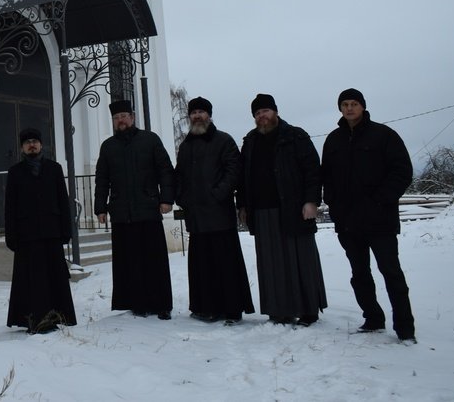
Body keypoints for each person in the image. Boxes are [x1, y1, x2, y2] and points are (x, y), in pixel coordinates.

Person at [321, 88, 417, 344]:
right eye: (345, 104)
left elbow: (402, 171)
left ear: (362, 106)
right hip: (348, 221)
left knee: (391, 272)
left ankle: (405, 328)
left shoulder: (384, 135)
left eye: (354, 103)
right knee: (359, 273)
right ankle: (373, 318)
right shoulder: (334, 140)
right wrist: (333, 203)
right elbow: (326, 176)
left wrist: (381, 200)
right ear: (340, 108)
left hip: (379, 219)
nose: (349, 108)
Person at [238, 93, 327, 326]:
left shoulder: (295, 135)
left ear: (275, 111)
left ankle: (308, 310)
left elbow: (312, 171)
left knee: (301, 260)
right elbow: (243, 178)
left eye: (265, 111)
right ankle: (278, 311)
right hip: (262, 212)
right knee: (271, 264)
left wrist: (311, 201)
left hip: (294, 208)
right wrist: (243, 205)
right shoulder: (250, 142)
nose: (262, 116)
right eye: (258, 113)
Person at [173, 97, 255, 325]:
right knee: (202, 266)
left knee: (226, 264)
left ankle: (232, 309)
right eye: (193, 112)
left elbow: (233, 170)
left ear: (209, 115)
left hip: (219, 215)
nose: (197, 116)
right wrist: (182, 197)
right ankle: (206, 308)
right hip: (196, 216)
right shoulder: (186, 146)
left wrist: (217, 194)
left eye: (201, 112)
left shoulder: (223, 140)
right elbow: (179, 175)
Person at [93, 99, 175, 319]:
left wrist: (166, 199)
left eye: (124, 116)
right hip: (122, 212)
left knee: (154, 260)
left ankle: (161, 305)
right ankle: (137, 303)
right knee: (130, 262)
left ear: (132, 117)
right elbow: (102, 179)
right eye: (116, 118)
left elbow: (165, 171)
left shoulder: (150, 140)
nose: (120, 120)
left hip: (148, 209)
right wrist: (100, 207)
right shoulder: (108, 146)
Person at [4, 127, 77, 334]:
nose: (32, 145)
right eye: (27, 142)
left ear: (41, 145)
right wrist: (11, 236)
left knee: (54, 277)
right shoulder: (15, 172)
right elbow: (10, 206)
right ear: (22, 148)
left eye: (35, 141)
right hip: (27, 235)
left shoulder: (54, 169)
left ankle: (58, 316)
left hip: (51, 232)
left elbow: (63, 201)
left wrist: (66, 230)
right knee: (31, 280)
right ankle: (34, 320)